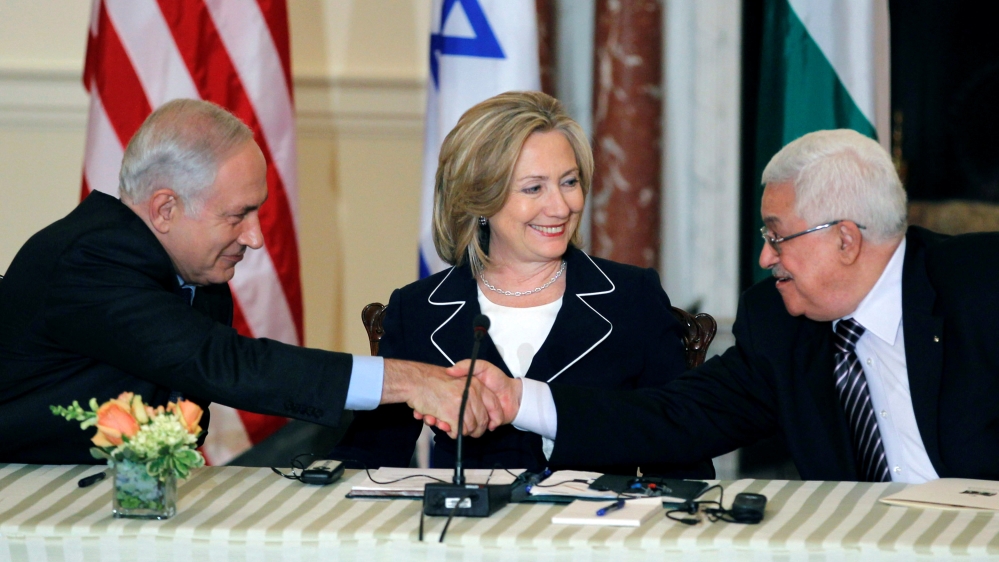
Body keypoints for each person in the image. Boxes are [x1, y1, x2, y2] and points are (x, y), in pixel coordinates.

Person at [431, 128, 999, 482]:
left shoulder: (979, 285)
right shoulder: (779, 324)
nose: (763, 257)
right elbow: (674, 420)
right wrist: (517, 399)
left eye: (777, 236)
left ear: (846, 239)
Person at [0, 99, 500, 465]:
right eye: (239, 215)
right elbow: (223, 364)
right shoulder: (89, 259)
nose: (256, 238)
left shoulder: (193, 269)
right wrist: (410, 379)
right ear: (166, 209)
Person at [331, 91, 710, 478]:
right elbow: (367, 461)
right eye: (534, 188)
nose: (561, 207)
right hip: (463, 533)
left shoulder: (632, 298)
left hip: (598, 531)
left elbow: (685, 453)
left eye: (569, 182)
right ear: (480, 198)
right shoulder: (420, 310)